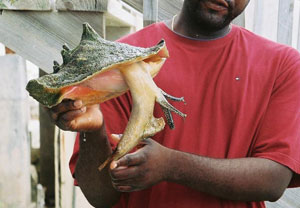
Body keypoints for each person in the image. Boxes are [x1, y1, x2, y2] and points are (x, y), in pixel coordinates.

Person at [48, 0, 300, 207]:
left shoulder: (282, 65)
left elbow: (273, 180)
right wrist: (93, 131)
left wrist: (172, 166)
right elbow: (100, 197)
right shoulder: (121, 61)